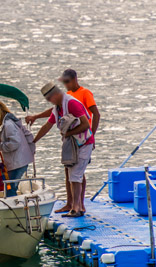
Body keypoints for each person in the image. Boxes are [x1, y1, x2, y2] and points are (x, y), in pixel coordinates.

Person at [26, 69, 100, 213]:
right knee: (71, 173)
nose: (50, 102)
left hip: (84, 142)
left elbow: (86, 123)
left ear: (56, 95)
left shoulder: (73, 102)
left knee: (76, 175)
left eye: (50, 99)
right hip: (72, 144)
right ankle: (72, 205)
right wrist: (33, 141)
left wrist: (69, 133)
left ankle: (78, 207)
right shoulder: (57, 107)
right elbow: (48, 125)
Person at [0, 101, 35, 197]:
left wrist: (0, 146)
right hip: (20, 161)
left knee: (10, 189)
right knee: (10, 188)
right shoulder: (11, 123)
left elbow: (15, 143)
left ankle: (13, 209)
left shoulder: (8, 125)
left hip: (17, 163)